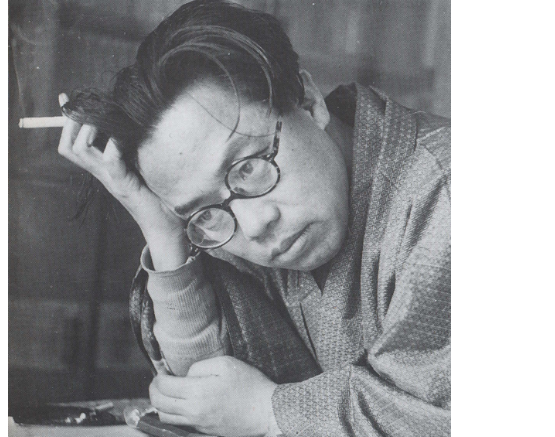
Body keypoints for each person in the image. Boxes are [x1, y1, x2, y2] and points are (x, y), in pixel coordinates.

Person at [57, 1, 450, 435]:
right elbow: (210, 399)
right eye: (203, 212)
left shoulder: (446, 195)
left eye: (248, 168)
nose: (254, 225)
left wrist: (271, 410)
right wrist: (165, 231)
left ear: (308, 101)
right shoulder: (222, 229)